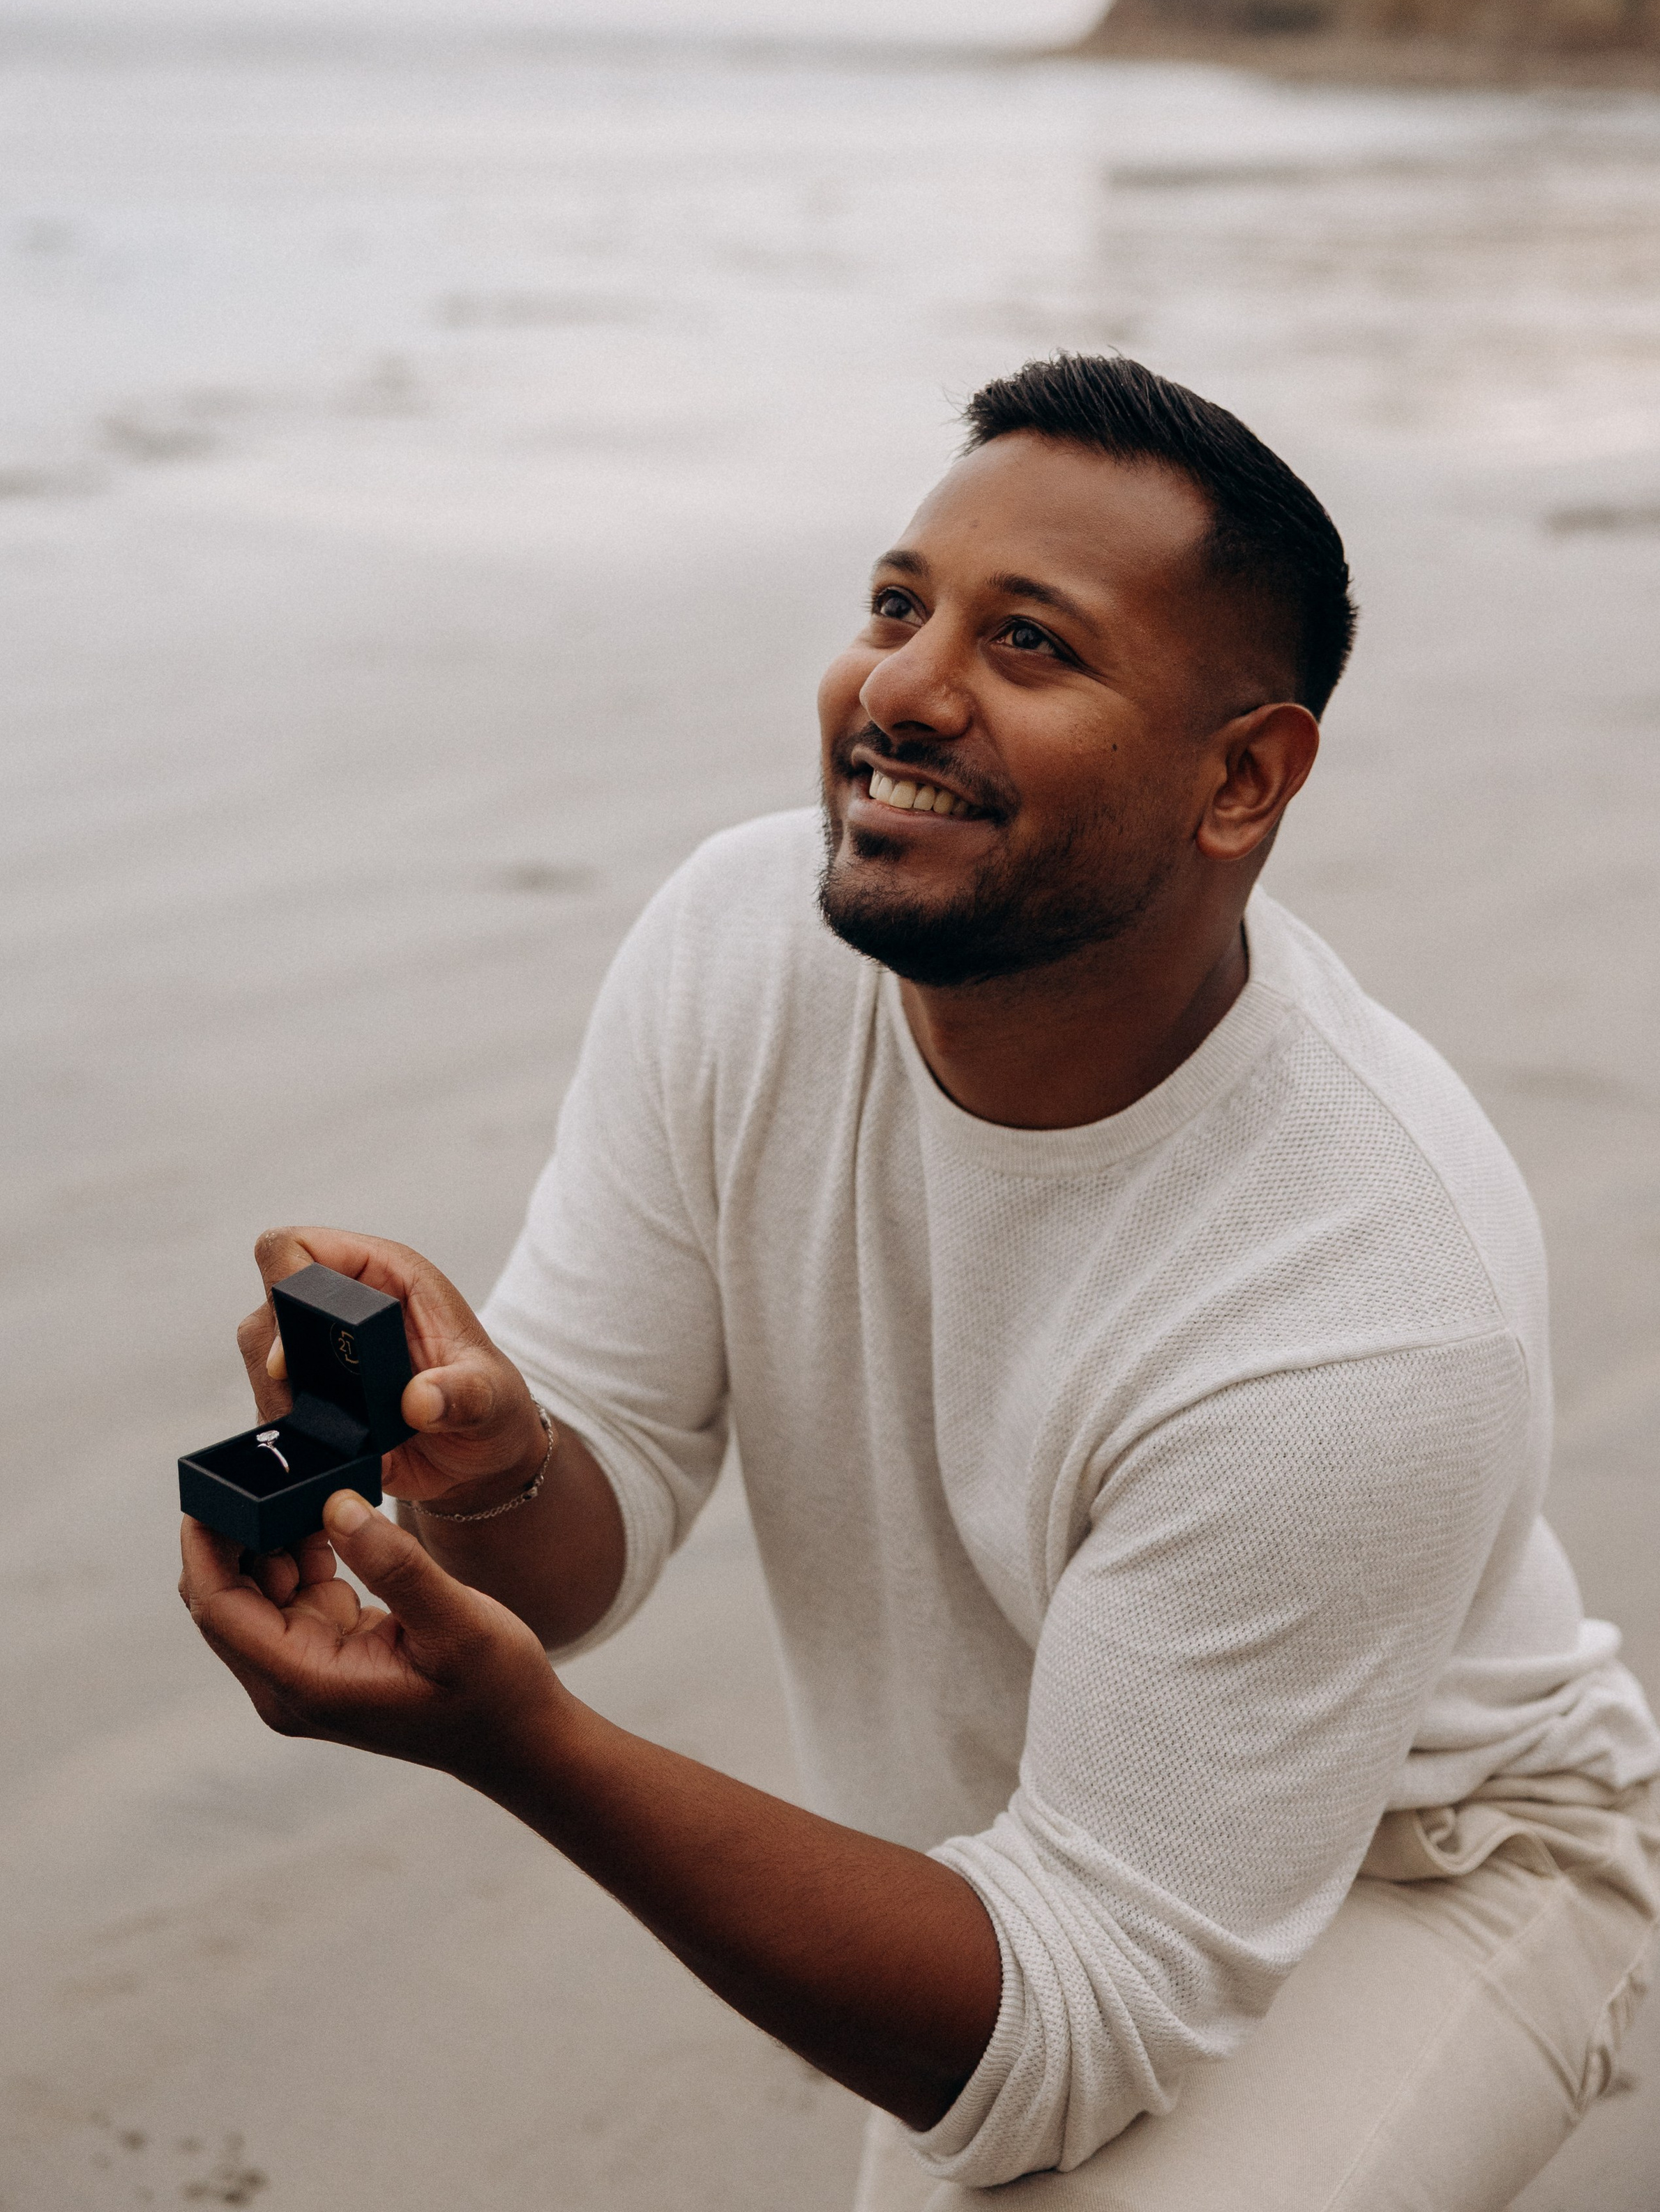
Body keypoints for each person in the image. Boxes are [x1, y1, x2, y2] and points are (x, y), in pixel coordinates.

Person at [181, 353, 1659, 2211]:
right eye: (898, 606)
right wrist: (489, 1473)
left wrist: (524, 1749)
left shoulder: (1362, 1297)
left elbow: (1067, 2019)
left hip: (1441, 1865)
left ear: (1242, 781)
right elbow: (578, 1536)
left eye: (1028, 645)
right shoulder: (740, 945)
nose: (896, 688)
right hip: (1048, 1866)